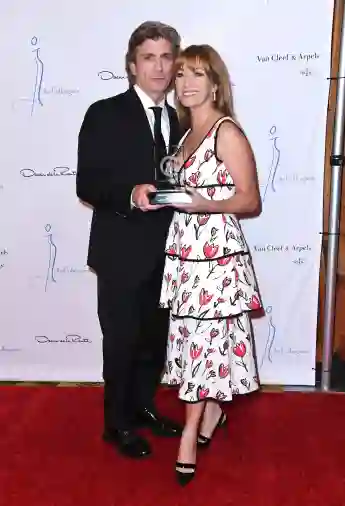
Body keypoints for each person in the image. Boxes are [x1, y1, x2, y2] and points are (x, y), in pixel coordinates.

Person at [76, 21, 183, 459]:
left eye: (165, 57)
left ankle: (142, 408)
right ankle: (115, 425)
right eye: (148, 58)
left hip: (166, 253)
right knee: (121, 340)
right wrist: (130, 195)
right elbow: (88, 183)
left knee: (153, 341)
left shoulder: (177, 117)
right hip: (121, 252)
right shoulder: (104, 113)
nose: (158, 67)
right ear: (132, 65)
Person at [159, 44, 262, 485]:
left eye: (197, 74)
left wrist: (203, 204)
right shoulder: (184, 137)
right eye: (180, 74)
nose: (186, 83)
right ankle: (213, 408)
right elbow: (180, 190)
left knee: (203, 339)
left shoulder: (227, 133)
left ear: (215, 83)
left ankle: (188, 433)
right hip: (185, 252)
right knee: (193, 339)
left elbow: (250, 200)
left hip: (215, 255)